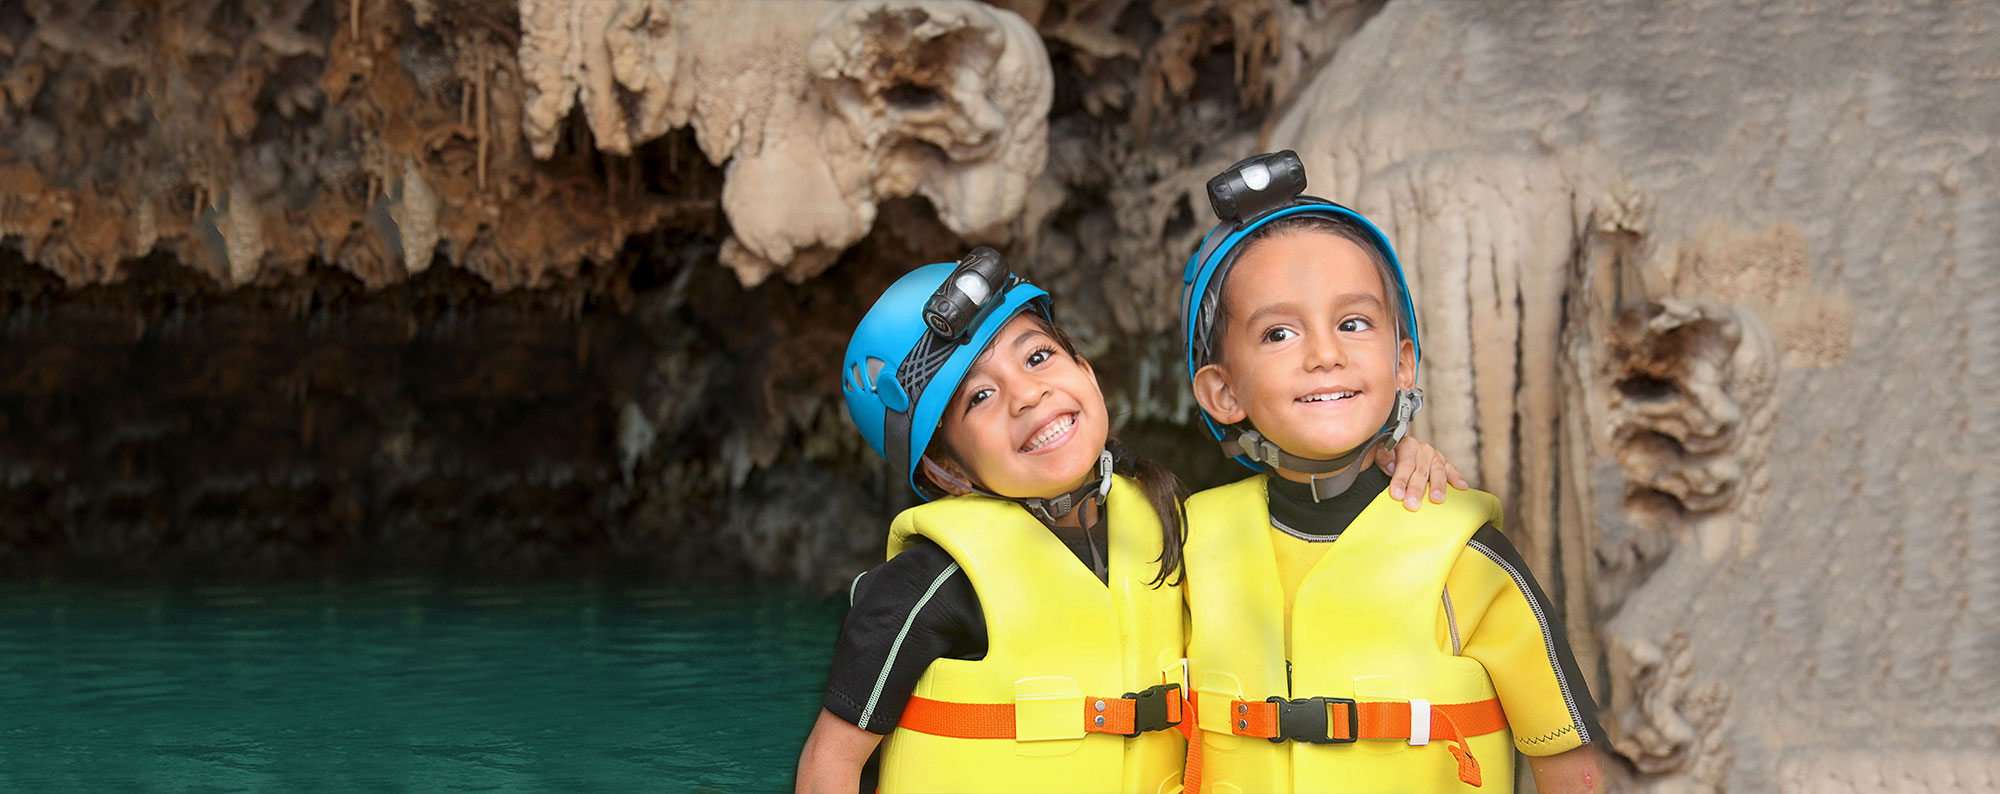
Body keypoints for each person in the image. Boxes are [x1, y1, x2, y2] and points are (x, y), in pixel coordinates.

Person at [795, 247, 1466, 793]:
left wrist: (1395, 453)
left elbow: (1305, 523)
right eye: (979, 397)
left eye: (1038, 357)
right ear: (946, 471)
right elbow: (832, 762)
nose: (1028, 395)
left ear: (1085, 368)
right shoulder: (927, 585)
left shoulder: (1168, 518)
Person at [1175, 151, 1607, 793]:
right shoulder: (1183, 546)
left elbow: (1572, 763)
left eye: (1353, 323)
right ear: (1222, 393)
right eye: (1278, 335)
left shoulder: (1465, 557)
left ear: (1404, 363)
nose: (1325, 354)